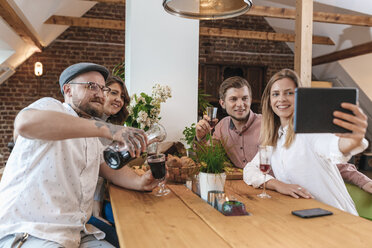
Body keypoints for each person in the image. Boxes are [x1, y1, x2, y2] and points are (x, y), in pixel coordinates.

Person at [0, 63, 159, 248]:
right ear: (68, 89)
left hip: (76, 232)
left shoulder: (91, 135)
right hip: (32, 232)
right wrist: (110, 130)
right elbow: (24, 124)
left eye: (102, 88)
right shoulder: (51, 107)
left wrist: (140, 182)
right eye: (91, 86)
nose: (100, 94)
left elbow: (109, 169)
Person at [196, 76, 372, 193]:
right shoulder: (221, 127)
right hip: (253, 189)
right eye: (233, 99)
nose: (240, 104)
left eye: (245, 98)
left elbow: (325, 157)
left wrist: (365, 182)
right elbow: (211, 160)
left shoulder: (273, 124)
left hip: (288, 192)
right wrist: (201, 138)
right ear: (222, 103)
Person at [243, 68, 368, 215]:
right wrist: (277, 184)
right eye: (276, 94)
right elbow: (250, 169)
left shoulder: (310, 132)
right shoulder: (275, 138)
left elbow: (333, 145)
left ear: (300, 98)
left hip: (338, 217)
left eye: (289, 93)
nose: (281, 99)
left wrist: (353, 140)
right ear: (269, 101)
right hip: (307, 215)